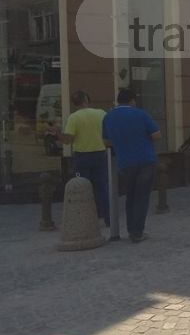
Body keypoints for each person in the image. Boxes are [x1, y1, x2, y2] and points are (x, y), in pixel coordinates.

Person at [102, 88, 161, 243]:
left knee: (131, 195)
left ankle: (130, 229)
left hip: (124, 162)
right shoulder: (141, 114)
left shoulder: (108, 117)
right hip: (145, 160)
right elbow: (156, 135)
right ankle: (137, 232)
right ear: (132, 100)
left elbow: (106, 142)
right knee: (141, 196)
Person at [61, 91, 109, 227]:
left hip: (82, 156)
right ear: (87, 100)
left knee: (82, 187)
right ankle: (108, 217)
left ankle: (85, 220)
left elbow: (68, 140)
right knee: (102, 187)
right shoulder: (101, 113)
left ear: (74, 103)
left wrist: (58, 134)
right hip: (100, 154)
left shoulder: (74, 117)